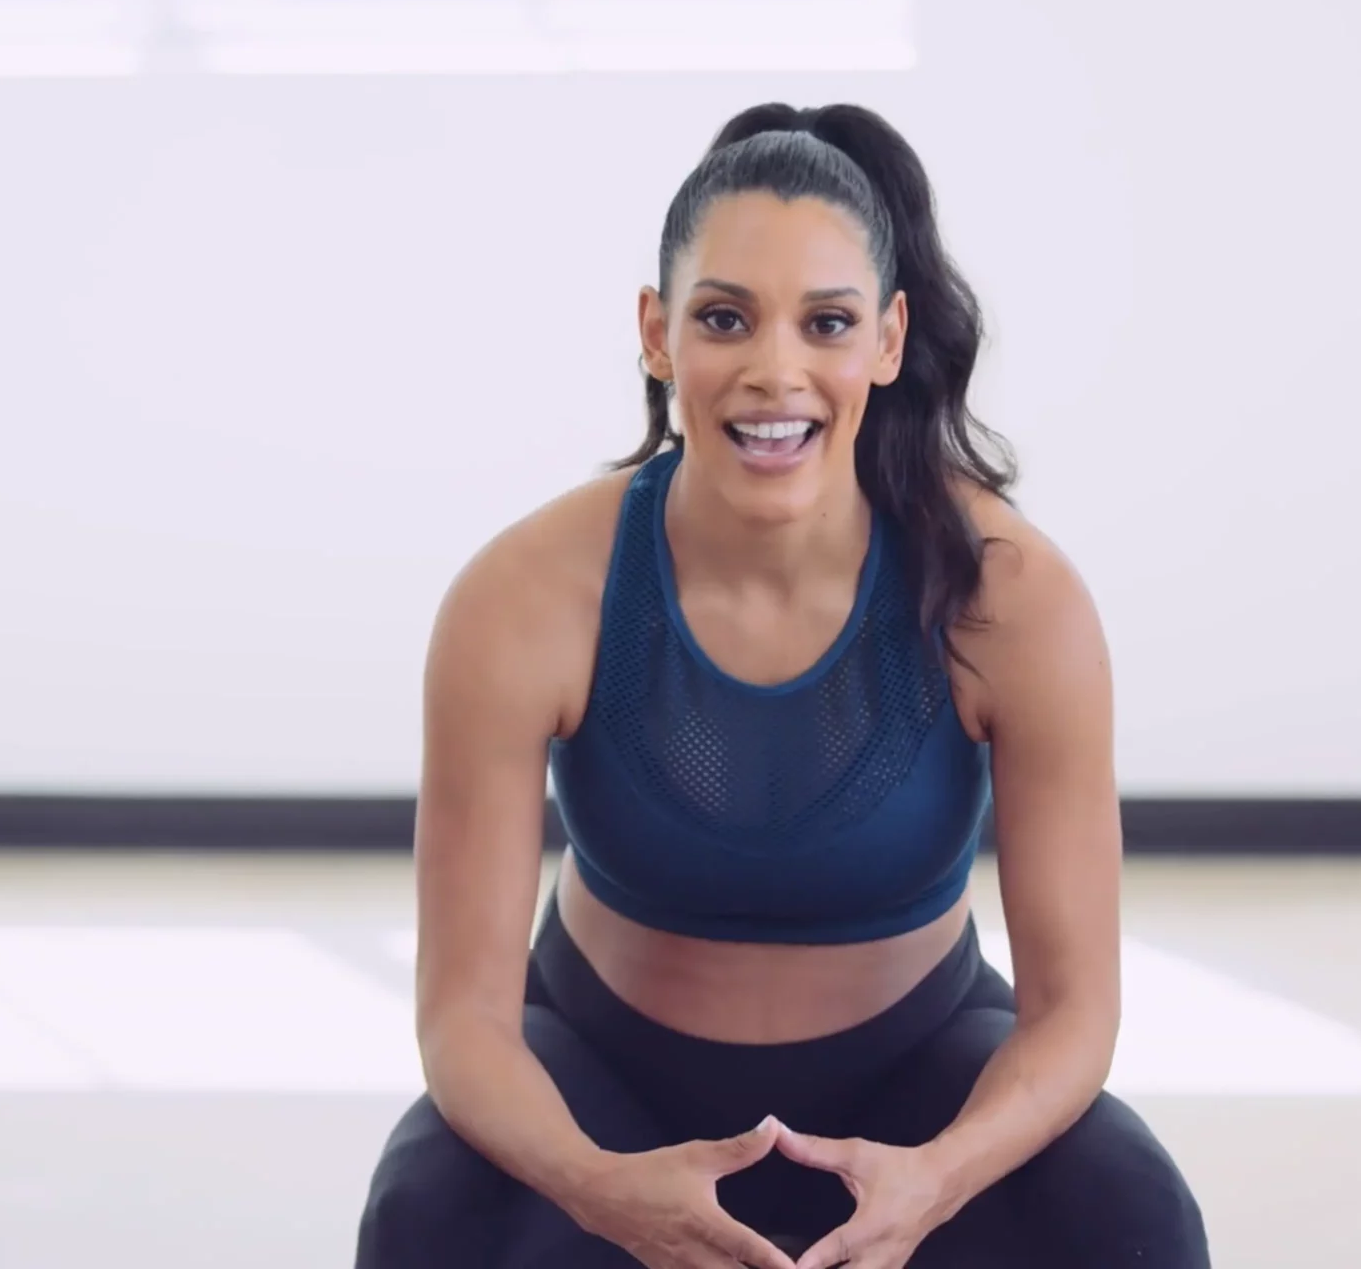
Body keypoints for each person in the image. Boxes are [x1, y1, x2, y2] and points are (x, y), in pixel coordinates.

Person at [354, 103, 1207, 1268]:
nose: (775, 371)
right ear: (656, 334)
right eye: (723, 318)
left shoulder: (1012, 597)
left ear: (889, 341)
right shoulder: (523, 597)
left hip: (914, 1087)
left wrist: (935, 1183)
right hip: (607, 1084)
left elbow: (1073, 1017)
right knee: (431, 1206)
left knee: (1127, 1209)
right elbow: (461, 1020)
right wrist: (599, 1191)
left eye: (826, 323)